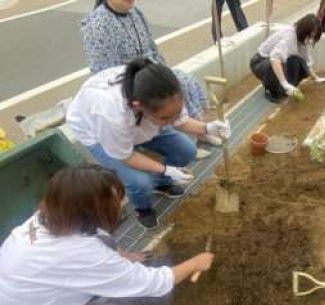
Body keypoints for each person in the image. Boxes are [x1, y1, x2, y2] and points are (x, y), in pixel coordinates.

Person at [0, 165, 214, 305]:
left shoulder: (53, 215)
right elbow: (154, 284)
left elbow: (96, 241)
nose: (121, 204)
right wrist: (195, 263)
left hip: (23, 304)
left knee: (105, 241)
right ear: (88, 210)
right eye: (114, 201)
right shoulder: (76, 253)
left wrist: (124, 257)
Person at [66, 58, 230, 229]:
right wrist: (166, 169)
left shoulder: (166, 91)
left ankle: (161, 183)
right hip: (97, 133)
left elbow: (180, 120)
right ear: (139, 106)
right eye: (166, 118)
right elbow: (125, 156)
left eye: (174, 113)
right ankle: (142, 208)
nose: (172, 120)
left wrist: (207, 128)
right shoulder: (110, 113)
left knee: (187, 151)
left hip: (143, 122)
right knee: (140, 182)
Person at [82, 0, 211, 158]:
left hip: (149, 71)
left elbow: (152, 48)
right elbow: (104, 71)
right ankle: (188, 137)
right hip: (129, 83)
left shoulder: (135, 12)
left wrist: (163, 74)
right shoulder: (98, 25)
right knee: (162, 98)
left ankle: (199, 131)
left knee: (182, 80)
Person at [250, 13, 325, 103]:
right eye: (310, 36)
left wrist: (316, 78)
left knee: (300, 63)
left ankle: (285, 87)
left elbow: (306, 61)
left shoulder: (303, 39)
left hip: (272, 61)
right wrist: (285, 84)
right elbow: (275, 59)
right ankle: (271, 90)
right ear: (304, 30)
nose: (311, 40)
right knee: (276, 65)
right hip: (260, 62)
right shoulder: (289, 37)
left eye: (313, 38)